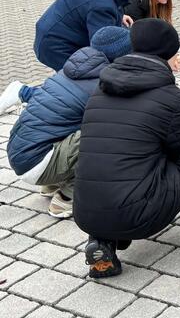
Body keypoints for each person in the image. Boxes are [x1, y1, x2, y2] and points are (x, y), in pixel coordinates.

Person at [75, 19, 180, 278]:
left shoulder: (98, 93)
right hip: (142, 216)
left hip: (87, 213)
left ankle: (102, 243)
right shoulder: (174, 99)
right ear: (170, 52)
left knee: (118, 161)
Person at [5, 27, 132, 218]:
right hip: (37, 162)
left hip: (21, 153)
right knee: (107, 133)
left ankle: (52, 182)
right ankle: (67, 197)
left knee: (76, 124)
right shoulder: (102, 84)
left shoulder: (70, 70)